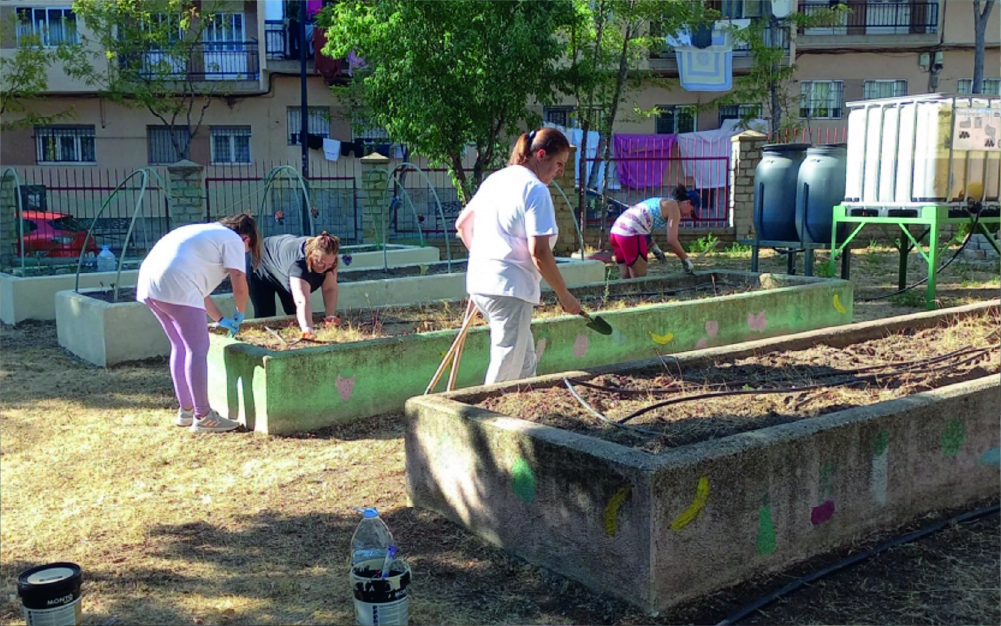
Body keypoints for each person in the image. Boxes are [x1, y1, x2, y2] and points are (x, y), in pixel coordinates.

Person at [455, 127, 583, 385]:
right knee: (506, 367)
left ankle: (524, 421)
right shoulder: (535, 189)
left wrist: (488, 261)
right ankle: (485, 421)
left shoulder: (496, 180)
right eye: (559, 164)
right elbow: (540, 251)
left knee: (524, 363)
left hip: (483, 283)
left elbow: (462, 225)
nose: (560, 172)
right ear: (541, 155)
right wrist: (564, 295)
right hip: (510, 289)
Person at [136, 213, 261, 433]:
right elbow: (239, 283)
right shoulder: (234, 240)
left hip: (149, 285)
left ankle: (186, 410)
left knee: (180, 346)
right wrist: (239, 314)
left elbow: (199, 294)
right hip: (177, 284)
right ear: (247, 240)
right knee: (198, 348)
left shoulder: (203, 234)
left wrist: (221, 320)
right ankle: (203, 416)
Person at [249, 231, 341, 339]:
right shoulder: (298, 264)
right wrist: (308, 330)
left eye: (329, 264)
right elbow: (302, 300)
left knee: (294, 315)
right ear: (311, 254)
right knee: (266, 317)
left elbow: (329, 289)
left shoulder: (329, 261)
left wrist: (330, 317)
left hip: (283, 268)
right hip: (261, 266)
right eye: (320, 262)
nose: (325, 268)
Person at [609, 185, 701, 279]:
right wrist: (685, 260)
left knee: (626, 277)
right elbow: (672, 241)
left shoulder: (663, 201)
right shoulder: (675, 209)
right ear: (687, 203)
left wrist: (654, 247)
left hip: (616, 231)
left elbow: (644, 222)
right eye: (691, 211)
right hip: (631, 233)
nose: (689, 215)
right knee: (639, 278)